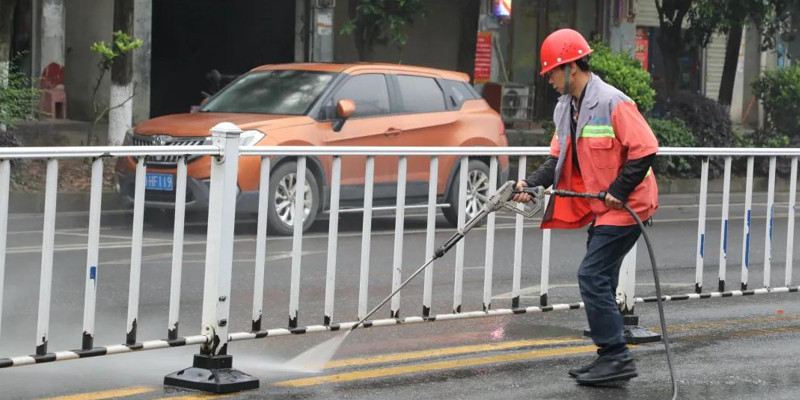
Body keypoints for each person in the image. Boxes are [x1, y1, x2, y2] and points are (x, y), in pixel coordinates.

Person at [512, 28, 659, 385]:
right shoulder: (567, 108)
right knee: (603, 280)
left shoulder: (612, 101)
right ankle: (609, 357)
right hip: (604, 209)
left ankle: (617, 358)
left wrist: (619, 190)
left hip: (629, 206)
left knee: (591, 276)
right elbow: (557, 161)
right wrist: (530, 184)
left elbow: (646, 148)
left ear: (570, 67)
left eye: (550, 71)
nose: (547, 79)